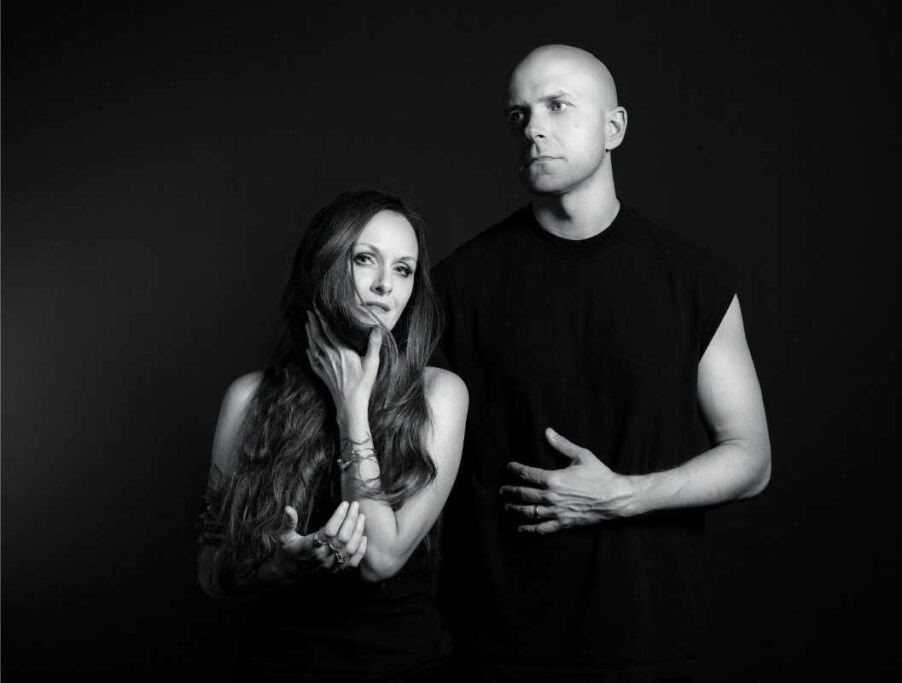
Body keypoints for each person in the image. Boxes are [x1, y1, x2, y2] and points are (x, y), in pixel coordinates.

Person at [432, 45, 771, 682]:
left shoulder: (693, 281)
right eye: (519, 115)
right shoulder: (458, 284)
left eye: (557, 106)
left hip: (647, 639)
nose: (533, 127)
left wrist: (622, 497)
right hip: (492, 646)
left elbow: (751, 459)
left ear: (613, 128)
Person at [197, 188, 468, 682]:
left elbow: (381, 559)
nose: (386, 285)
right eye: (365, 259)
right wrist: (277, 567)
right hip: (276, 667)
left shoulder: (439, 393)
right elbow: (212, 569)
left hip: (404, 668)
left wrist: (352, 407)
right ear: (324, 264)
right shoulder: (248, 398)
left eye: (404, 269)